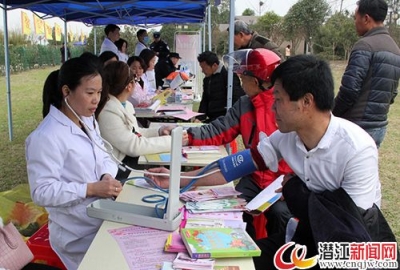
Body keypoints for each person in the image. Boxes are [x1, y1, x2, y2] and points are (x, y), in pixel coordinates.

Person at [147, 55, 392, 269]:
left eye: (278, 99)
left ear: (306, 102)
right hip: (307, 237)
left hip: (350, 251)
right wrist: (179, 179)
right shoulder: (285, 137)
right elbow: (234, 166)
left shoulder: (356, 149)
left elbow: (347, 229)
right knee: (229, 261)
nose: (272, 108)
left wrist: (297, 192)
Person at [26, 55, 122, 270]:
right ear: (66, 91)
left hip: (100, 217)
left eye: (99, 92)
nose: (96, 99)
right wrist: (89, 188)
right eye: (90, 93)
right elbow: (42, 191)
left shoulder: (87, 121)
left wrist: (106, 176)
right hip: (76, 234)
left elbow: (104, 156)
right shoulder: (46, 136)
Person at [185, 48, 292, 240]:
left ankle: (277, 256)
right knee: (234, 206)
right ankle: (244, 246)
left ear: (256, 81)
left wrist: (292, 183)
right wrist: (189, 136)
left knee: (280, 214)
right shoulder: (244, 104)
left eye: (243, 79)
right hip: (254, 177)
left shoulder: (286, 107)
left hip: (283, 182)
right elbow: (219, 130)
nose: (241, 84)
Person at [97, 61, 187, 180]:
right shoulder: (107, 111)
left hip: (130, 160)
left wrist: (160, 131)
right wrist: (172, 141)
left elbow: (135, 132)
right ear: (130, 86)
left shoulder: (126, 105)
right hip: (120, 169)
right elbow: (134, 146)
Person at [332, 0, 400, 148]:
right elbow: (392, 93)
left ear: (366, 18)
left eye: (355, 18)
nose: (355, 22)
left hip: (357, 126)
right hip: (380, 125)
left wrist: (332, 114)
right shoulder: (395, 48)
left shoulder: (365, 45)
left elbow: (349, 90)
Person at [194, 51, 244, 123]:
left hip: (224, 118)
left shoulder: (228, 75)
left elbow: (236, 96)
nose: (202, 71)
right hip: (212, 117)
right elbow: (205, 99)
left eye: (204, 68)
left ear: (214, 65)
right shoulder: (207, 79)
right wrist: (199, 117)